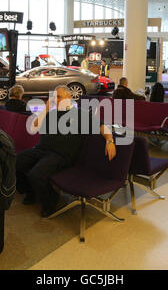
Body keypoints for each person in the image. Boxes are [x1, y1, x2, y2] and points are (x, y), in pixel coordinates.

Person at [16, 85, 116, 217]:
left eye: (59, 97)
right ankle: (31, 192)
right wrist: (46, 108)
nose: (56, 100)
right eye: (54, 97)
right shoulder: (51, 113)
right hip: (41, 150)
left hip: (59, 155)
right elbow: (35, 125)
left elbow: (102, 126)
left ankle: (51, 201)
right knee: (15, 162)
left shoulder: (81, 114)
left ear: (69, 97)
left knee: (36, 174)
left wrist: (110, 141)